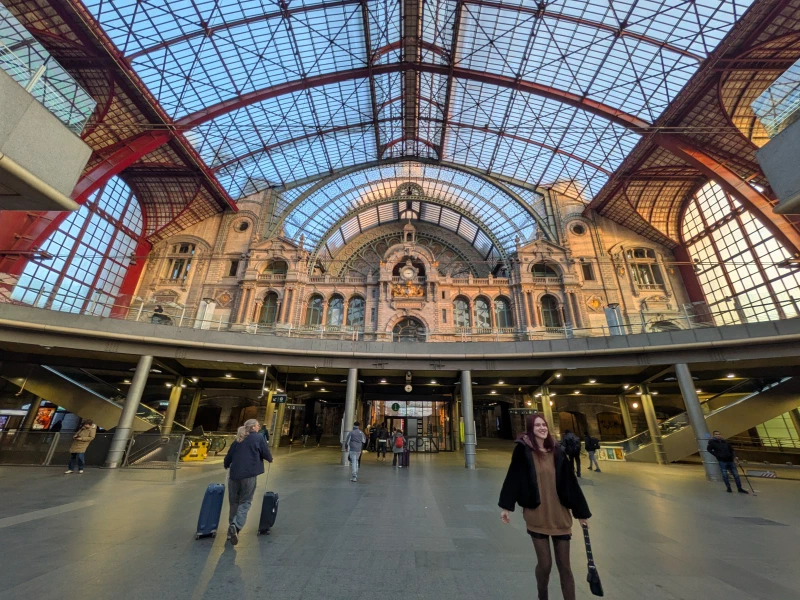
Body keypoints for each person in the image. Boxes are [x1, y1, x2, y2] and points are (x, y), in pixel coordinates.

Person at [500, 415, 591, 600]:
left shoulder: (558, 451)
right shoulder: (523, 451)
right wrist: (506, 506)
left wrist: (581, 512)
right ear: (530, 429)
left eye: (544, 424)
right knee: (545, 564)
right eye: (537, 425)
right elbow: (514, 477)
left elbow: (571, 482)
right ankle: (542, 595)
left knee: (565, 567)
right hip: (537, 514)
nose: (542, 428)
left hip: (559, 514)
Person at [223, 418, 273, 545]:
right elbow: (265, 452)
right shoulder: (258, 437)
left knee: (234, 502)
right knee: (245, 501)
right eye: (258, 426)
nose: (259, 427)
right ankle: (236, 525)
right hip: (249, 474)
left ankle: (231, 531)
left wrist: (226, 465)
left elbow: (229, 456)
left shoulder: (238, 439)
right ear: (254, 427)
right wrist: (269, 459)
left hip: (234, 474)